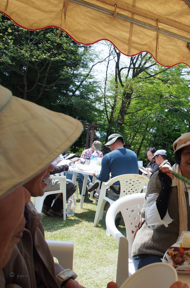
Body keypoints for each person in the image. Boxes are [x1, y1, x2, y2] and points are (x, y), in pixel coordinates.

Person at [0, 85, 88, 287]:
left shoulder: (26, 210)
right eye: (37, 156)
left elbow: (35, 261)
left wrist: (66, 282)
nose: (51, 166)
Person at [132, 131, 190, 270]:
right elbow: (152, 220)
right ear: (179, 156)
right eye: (189, 152)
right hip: (153, 249)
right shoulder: (160, 177)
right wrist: (166, 189)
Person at [93, 133, 139, 200]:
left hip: (117, 193)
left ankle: (108, 209)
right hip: (133, 192)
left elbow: (104, 178)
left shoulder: (108, 157)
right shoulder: (134, 155)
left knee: (99, 194)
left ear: (111, 144)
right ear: (122, 143)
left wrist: (96, 175)